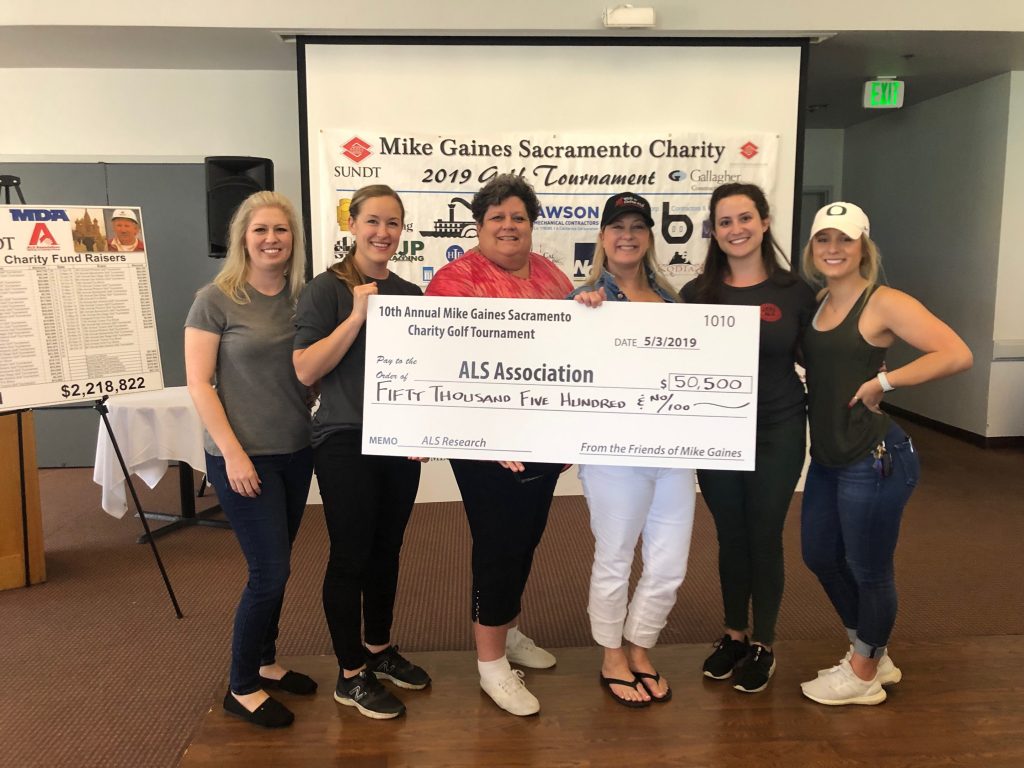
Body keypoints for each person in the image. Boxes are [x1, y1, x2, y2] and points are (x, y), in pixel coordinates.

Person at [798, 202, 972, 706]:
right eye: (824, 239)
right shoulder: (817, 302)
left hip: (873, 458)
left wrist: (884, 381)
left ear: (862, 247)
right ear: (813, 248)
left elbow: (956, 353)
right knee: (820, 556)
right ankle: (870, 650)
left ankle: (864, 672)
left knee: (869, 568)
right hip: (831, 456)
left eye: (845, 240)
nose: (833, 249)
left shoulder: (884, 302)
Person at [425, 174, 572, 717]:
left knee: (527, 536)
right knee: (498, 542)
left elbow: (574, 355)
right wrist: (488, 435)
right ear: (479, 225)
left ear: (531, 225)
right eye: (497, 218)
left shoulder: (553, 275)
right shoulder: (455, 281)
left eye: (519, 217)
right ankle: (490, 665)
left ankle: (507, 630)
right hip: (486, 444)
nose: (509, 226)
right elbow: (443, 366)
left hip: (541, 439)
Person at [293, 184, 429, 720]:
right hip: (344, 438)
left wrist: (422, 430)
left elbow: (420, 375)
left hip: (396, 441)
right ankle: (350, 674)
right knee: (350, 553)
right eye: (373, 221)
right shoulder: (326, 291)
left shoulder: (411, 294)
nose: (383, 232)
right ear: (352, 225)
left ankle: (378, 650)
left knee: (387, 549)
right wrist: (355, 316)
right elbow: (305, 369)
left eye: (393, 223)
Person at [184, 191, 315, 729]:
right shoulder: (215, 298)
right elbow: (199, 384)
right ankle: (240, 686)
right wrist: (234, 456)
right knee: (269, 571)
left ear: (293, 239)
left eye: (281, 230)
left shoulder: (303, 299)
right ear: (244, 237)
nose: (271, 239)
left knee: (278, 565)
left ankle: (266, 660)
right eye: (260, 230)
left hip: (295, 451)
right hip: (243, 458)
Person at [680, 183, 817, 693]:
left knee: (764, 533)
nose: (735, 229)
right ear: (713, 231)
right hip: (717, 433)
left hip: (777, 429)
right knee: (730, 534)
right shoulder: (697, 294)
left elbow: (817, 356)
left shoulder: (795, 291)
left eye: (744, 218)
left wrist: (868, 370)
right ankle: (733, 633)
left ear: (763, 222)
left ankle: (764, 641)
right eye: (725, 221)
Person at [570, 192, 696, 707]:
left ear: (649, 238)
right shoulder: (584, 302)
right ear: (602, 238)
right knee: (616, 558)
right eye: (617, 226)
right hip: (614, 456)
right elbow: (568, 376)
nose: (627, 235)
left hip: (672, 453)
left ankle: (641, 647)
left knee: (669, 564)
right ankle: (611, 656)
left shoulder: (676, 303)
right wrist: (582, 317)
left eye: (637, 226)